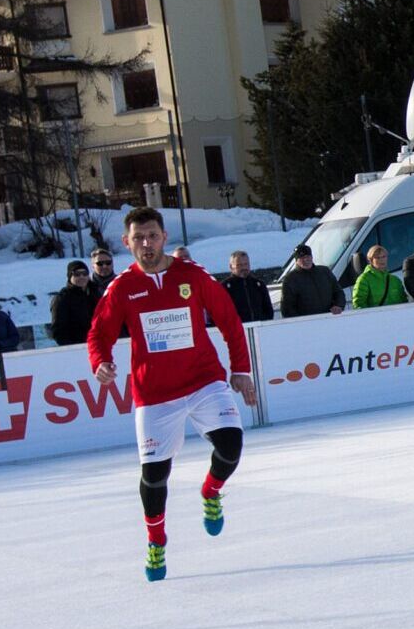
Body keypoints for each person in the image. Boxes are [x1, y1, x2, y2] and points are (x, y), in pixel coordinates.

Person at [86, 206, 255, 581]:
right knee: (155, 476)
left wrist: (240, 370)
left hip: (203, 380)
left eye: (153, 236)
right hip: (155, 394)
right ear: (126, 243)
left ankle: (211, 492)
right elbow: (99, 334)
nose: (147, 244)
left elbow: (228, 319)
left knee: (231, 446)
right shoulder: (122, 288)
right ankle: (156, 540)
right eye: (139, 238)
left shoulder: (192, 276)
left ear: (164, 238)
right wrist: (100, 361)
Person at [278, 244, 344, 316]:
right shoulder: (290, 279)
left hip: (330, 318)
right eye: (302, 258)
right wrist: (299, 322)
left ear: (312, 257)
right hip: (307, 322)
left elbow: (338, 292)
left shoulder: (325, 272)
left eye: (308, 256)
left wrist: (338, 305)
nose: (306, 259)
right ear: (296, 260)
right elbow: (287, 307)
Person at [218, 250, 274, 325]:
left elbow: (268, 311)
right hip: (237, 331)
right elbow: (220, 314)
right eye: (239, 265)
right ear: (231, 267)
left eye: (246, 264)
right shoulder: (224, 288)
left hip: (260, 329)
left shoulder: (259, 285)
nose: (244, 268)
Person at [50, 260, 99, 345]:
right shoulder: (62, 298)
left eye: (84, 273)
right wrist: (71, 348)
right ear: (70, 276)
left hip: (98, 344)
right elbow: (58, 330)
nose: (81, 277)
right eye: (77, 274)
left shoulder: (95, 293)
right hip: (76, 347)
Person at [350, 244, 409, 308]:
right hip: (375, 317)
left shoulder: (396, 280)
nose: (381, 260)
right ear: (371, 260)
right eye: (377, 257)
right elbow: (358, 304)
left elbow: (404, 302)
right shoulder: (364, 279)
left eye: (384, 256)